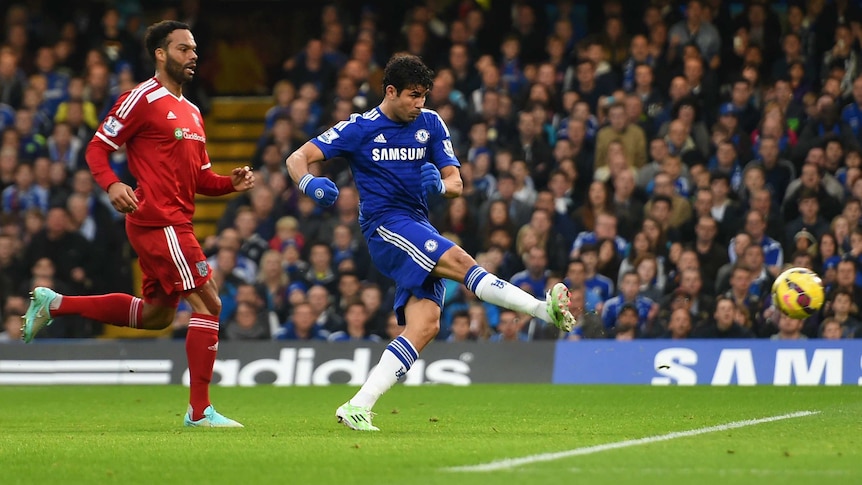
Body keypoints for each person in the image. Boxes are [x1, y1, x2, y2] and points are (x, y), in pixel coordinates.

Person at [285, 54, 575, 431]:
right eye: (413, 95)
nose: (420, 103)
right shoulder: (359, 128)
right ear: (390, 92)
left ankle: (357, 406)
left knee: (426, 325)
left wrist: (440, 185)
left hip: (417, 225)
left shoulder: (431, 123)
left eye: (424, 95)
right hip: (384, 228)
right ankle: (540, 309)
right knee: (459, 260)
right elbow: (298, 157)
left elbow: (456, 183)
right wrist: (309, 183)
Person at [20, 21, 254, 428]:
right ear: (160, 54)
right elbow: (97, 147)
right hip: (158, 221)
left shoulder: (194, 113)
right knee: (210, 304)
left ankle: (56, 304)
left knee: (156, 317)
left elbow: (200, 179)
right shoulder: (141, 98)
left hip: (174, 221)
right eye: (183, 48)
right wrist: (111, 184)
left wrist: (228, 185)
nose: (193, 54)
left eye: (195, 48)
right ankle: (199, 412)